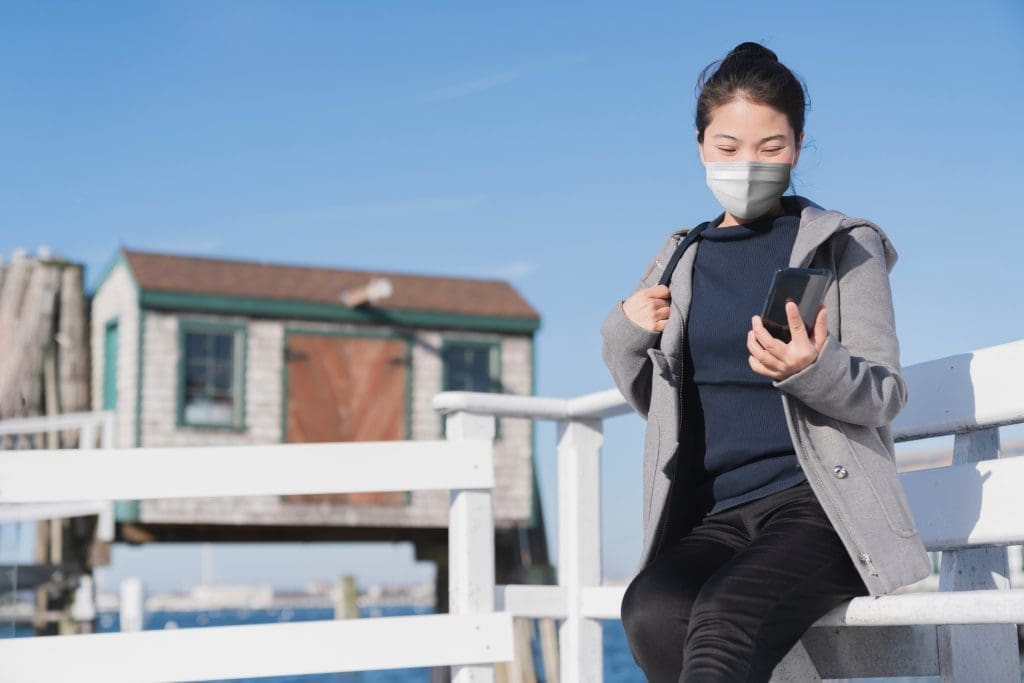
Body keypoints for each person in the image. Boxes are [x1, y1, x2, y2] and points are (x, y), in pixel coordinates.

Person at [599, 41, 932, 682]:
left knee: (724, 617)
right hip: (716, 516)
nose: (747, 164)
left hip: (820, 510)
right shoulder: (680, 255)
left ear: (798, 146)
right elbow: (657, 404)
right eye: (727, 148)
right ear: (700, 146)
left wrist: (812, 368)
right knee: (649, 610)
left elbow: (885, 393)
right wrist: (623, 329)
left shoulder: (843, 246)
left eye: (770, 148)